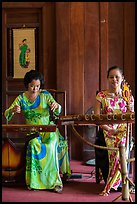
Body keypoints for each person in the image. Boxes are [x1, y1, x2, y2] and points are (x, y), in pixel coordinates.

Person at [4, 70, 71, 193]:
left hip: (49, 130)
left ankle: (54, 182)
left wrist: (56, 106)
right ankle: (35, 183)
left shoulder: (45, 95)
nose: (35, 89)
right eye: (32, 86)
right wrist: (13, 110)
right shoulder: (21, 98)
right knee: (34, 144)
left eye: (37, 86)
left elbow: (58, 109)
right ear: (27, 85)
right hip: (32, 132)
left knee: (50, 146)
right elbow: (7, 113)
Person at [94, 65, 134, 196]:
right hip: (107, 129)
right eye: (111, 77)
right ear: (107, 79)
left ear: (122, 79)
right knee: (115, 148)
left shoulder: (127, 96)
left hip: (123, 129)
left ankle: (111, 185)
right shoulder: (101, 95)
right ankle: (115, 182)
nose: (114, 80)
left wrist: (130, 107)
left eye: (117, 77)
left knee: (121, 146)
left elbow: (131, 116)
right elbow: (97, 118)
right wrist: (109, 129)